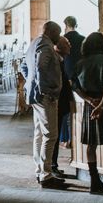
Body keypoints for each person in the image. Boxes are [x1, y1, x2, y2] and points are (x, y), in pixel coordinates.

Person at [72, 31, 103, 196]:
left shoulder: (80, 63)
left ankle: (94, 182)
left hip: (90, 105)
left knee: (91, 144)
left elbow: (75, 85)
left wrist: (88, 99)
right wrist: (101, 105)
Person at [21, 21, 68, 190]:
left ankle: (39, 170)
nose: (59, 36)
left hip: (35, 95)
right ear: (51, 32)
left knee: (39, 133)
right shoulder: (47, 46)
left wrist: (29, 83)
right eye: (58, 32)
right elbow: (41, 66)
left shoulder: (35, 43)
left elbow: (23, 66)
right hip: (45, 97)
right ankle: (46, 175)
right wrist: (45, 89)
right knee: (51, 135)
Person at [59, 16, 85, 150]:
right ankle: (76, 136)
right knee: (79, 108)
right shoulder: (83, 39)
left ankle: (64, 139)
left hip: (65, 76)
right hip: (79, 77)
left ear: (66, 25)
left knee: (64, 110)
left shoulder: (62, 40)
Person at [50, 35, 73, 179]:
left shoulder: (61, 60)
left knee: (56, 135)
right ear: (59, 47)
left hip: (61, 103)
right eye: (67, 44)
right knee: (54, 136)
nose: (70, 46)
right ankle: (52, 166)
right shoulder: (55, 61)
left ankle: (54, 165)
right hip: (56, 102)